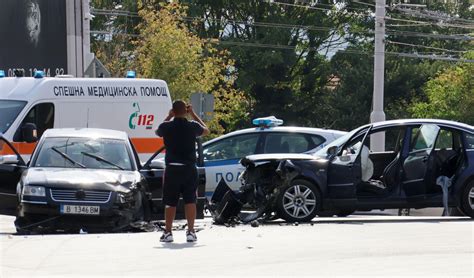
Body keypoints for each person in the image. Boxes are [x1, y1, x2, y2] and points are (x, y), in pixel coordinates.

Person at [156, 100, 209, 243]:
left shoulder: (167, 126)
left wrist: (168, 116)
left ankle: (168, 232)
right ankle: (191, 232)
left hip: (172, 168)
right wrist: (193, 114)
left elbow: (157, 131)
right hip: (189, 169)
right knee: (190, 200)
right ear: (185, 111)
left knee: (170, 202)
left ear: (173, 110)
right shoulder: (192, 126)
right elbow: (206, 130)